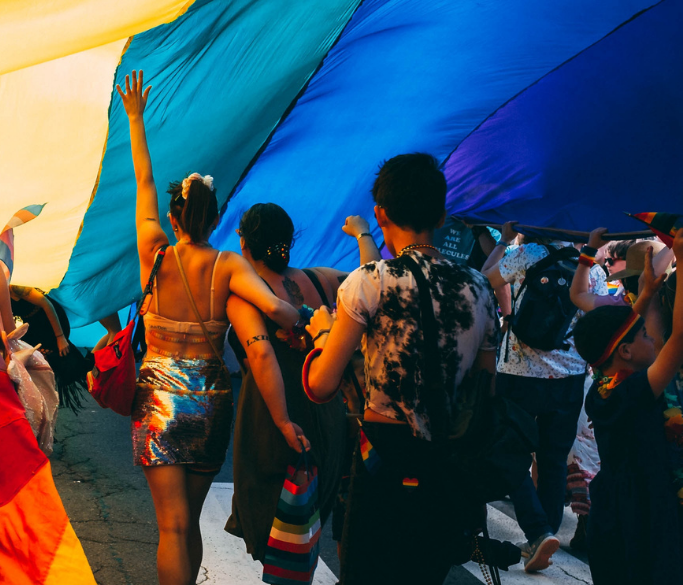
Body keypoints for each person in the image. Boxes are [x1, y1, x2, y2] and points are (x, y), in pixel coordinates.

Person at [116, 71, 298, 585]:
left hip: (157, 395)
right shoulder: (228, 266)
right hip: (211, 399)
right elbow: (276, 310)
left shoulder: (154, 251)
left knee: (169, 529)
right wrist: (302, 320)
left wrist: (135, 117)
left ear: (174, 217)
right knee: (189, 524)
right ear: (215, 220)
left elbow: (145, 182)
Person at [303, 153, 500, 584]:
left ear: (380, 213)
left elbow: (321, 384)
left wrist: (323, 333)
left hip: (382, 459)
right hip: (449, 461)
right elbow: (485, 389)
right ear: (442, 214)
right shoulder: (480, 288)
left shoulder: (369, 281)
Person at [225, 204, 366, 564]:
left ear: (244, 243)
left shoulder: (247, 294)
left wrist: (282, 420)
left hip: (274, 418)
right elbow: (370, 278)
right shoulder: (322, 280)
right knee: (309, 518)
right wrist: (364, 235)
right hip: (327, 415)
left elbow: (260, 355)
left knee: (276, 525)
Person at [483, 220, 606, 571]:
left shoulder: (525, 254)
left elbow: (485, 280)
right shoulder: (591, 268)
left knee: (511, 453)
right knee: (552, 461)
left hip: (518, 375)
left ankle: (538, 532)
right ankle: (547, 531)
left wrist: (504, 241)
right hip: (568, 376)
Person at [573, 237, 683, 585]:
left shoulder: (605, 391)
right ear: (625, 354)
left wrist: (647, 293)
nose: (654, 340)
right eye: (647, 338)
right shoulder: (634, 392)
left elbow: (628, 330)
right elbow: (678, 337)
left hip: (614, 511)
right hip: (644, 514)